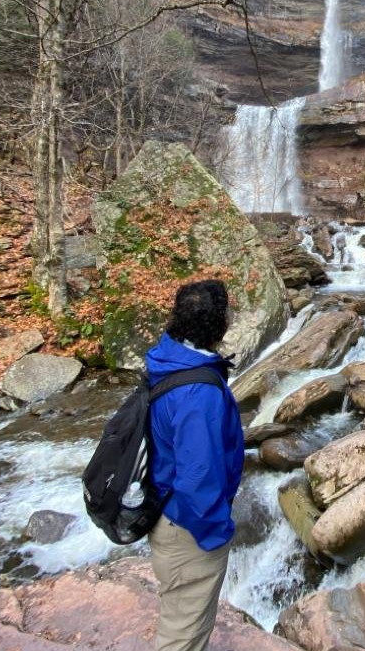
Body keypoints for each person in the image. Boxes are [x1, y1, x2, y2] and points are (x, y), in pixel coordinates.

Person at [145, 279, 244, 651]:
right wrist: (217, 533)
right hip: (186, 526)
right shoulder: (199, 395)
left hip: (165, 506)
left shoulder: (168, 358)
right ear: (219, 323)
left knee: (181, 620)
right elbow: (198, 478)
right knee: (183, 637)